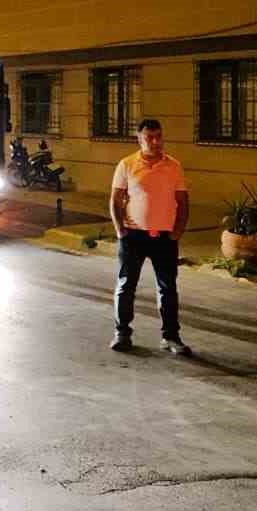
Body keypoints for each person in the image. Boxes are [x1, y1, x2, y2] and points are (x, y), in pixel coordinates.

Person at [108, 119, 191, 355]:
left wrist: (178, 231)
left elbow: (183, 201)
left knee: (168, 288)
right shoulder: (126, 165)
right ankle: (122, 333)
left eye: (158, 137)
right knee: (127, 285)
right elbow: (115, 200)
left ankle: (171, 337)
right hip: (133, 236)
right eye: (149, 137)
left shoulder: (173, 166)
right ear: (139, 139)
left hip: (165, 237)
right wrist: (120, 231)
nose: (155, 142)